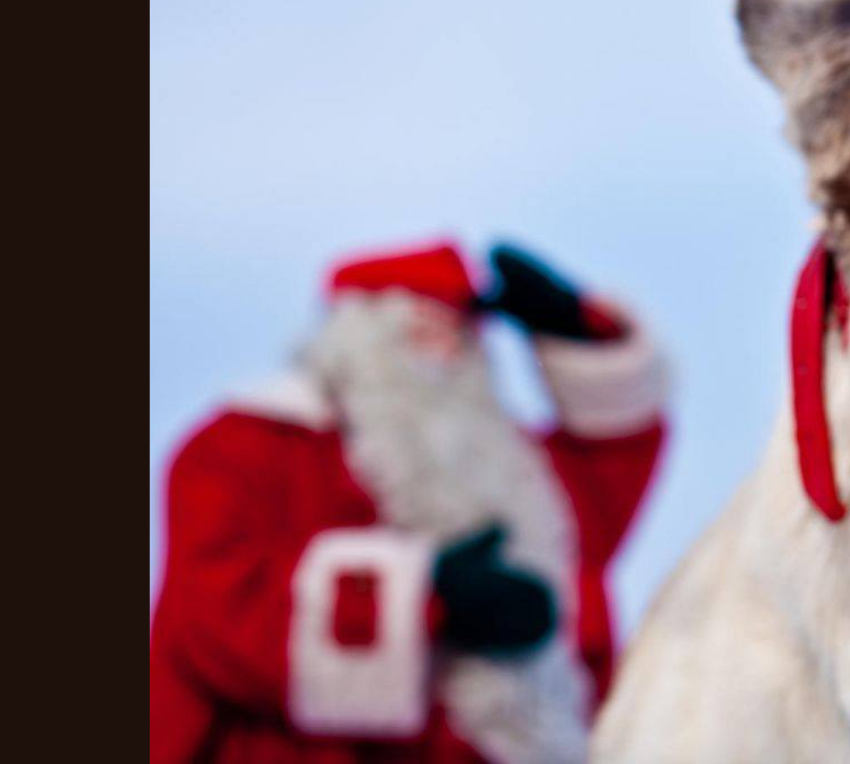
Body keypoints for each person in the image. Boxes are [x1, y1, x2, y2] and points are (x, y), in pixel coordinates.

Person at [150, 239, 670, 763]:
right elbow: (213, 616)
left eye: (460, 336)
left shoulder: (510, 472)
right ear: (357, 338)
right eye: (420, 332)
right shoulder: (250, 444)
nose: (443, 353)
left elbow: (601, 486)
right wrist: (426, 595)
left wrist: (580, 334)